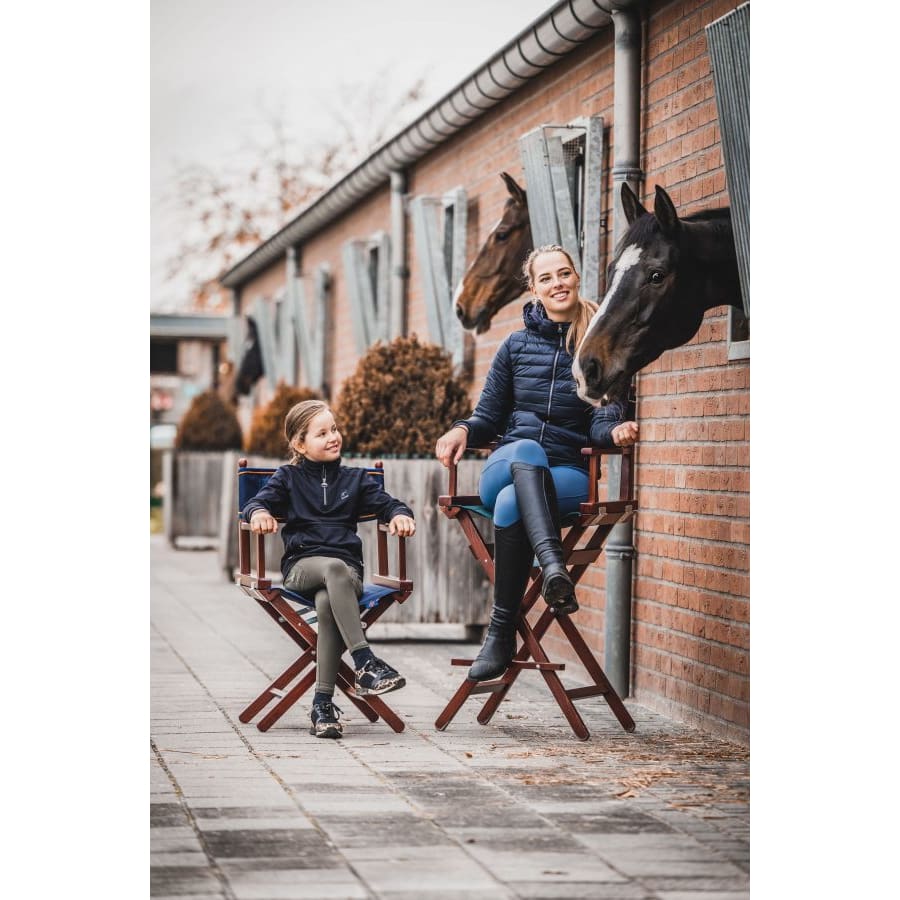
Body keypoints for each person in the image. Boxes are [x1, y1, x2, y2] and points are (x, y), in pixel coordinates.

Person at [435, 244, 639, 682]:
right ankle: (553, 568)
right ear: (533, 289)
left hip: (566, 475)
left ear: (576, 277)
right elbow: (488, 416)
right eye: (546, 278)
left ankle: (499, 633)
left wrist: (615, 431)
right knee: (527, 451)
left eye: (563, 273)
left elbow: (601, 422)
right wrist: (462, 429)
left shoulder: (599, 344)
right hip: (507, 461)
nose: (557, 283)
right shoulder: (515, 346)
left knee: (513, 502)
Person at [243, 400, 416, 739]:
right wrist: (259, 514)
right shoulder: (288, 477)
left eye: (334, 429)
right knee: (333, 569)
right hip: (302, 569)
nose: (333, 437)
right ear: (299, 444)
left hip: (347, 574)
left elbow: (390, 504)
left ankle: (322, 705)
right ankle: (365, 661)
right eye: (321, 433)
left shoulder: (356, 479)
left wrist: (399, 515)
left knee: (327, 602)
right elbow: (256, 503)